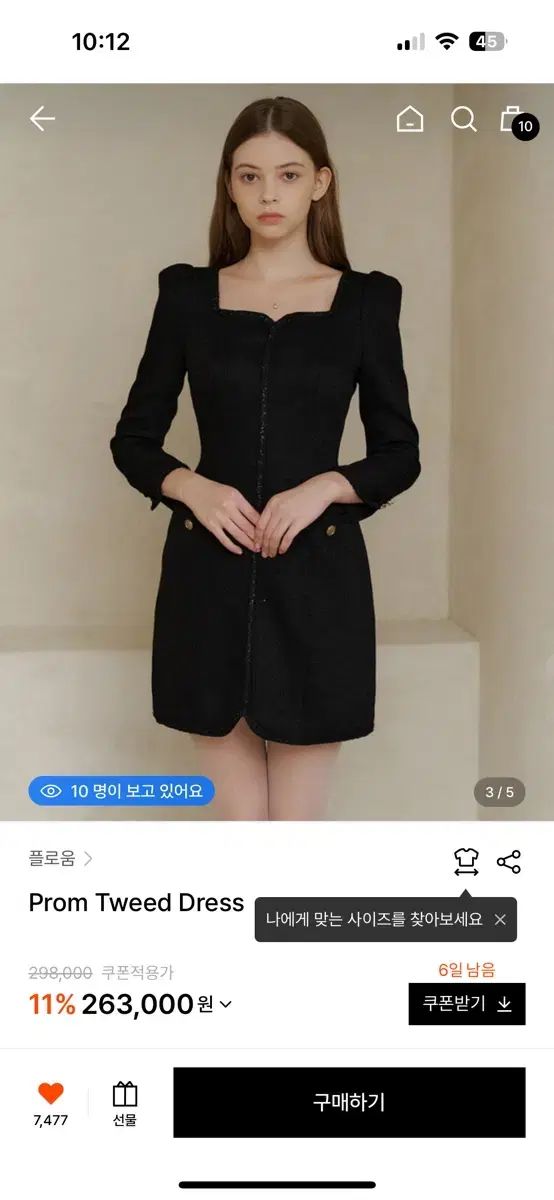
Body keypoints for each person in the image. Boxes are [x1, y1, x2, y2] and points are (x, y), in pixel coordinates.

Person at [110, 95, 421, 820]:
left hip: (318, 581)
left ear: (320, 182)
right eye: (249, 176)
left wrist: (326, 486)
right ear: (230, 186)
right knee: (240, 835)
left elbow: (400, 452)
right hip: (207, 577)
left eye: (287, 174)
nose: (267, 194)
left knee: (293, 838)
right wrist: (191, 487)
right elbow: (133, 439)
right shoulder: (186, 295)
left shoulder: (367, 302)